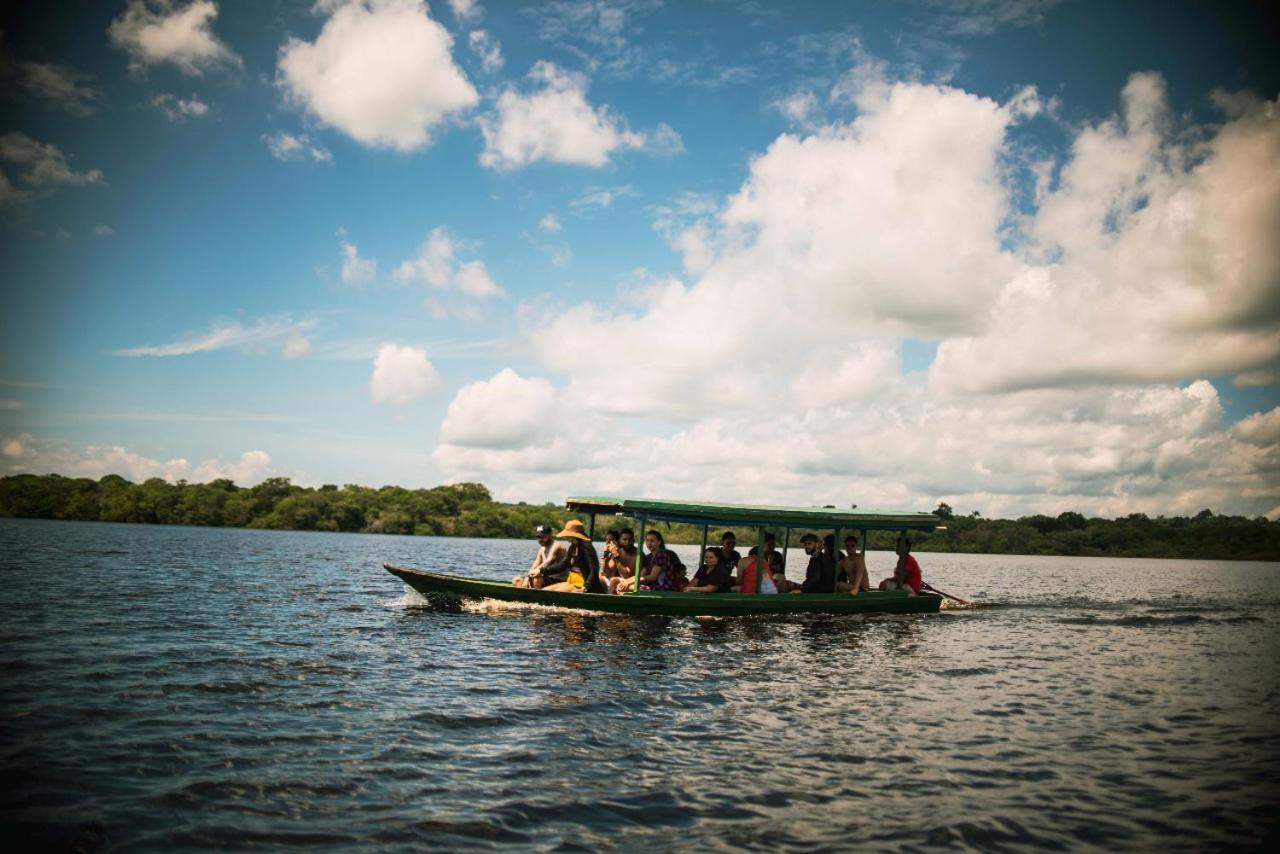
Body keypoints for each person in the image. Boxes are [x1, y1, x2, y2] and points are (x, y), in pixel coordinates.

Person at [541, 519, 604, 593]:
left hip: (583, 584)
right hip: (571, 581)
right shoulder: (573, 546)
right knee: (545, 591)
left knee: (556, 592)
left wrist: (586, 586)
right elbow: (563, 565)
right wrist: (543, 570)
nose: (565, 536)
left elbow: (593, 569)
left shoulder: (586, 547)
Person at [513, 524, 568, 588]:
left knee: (537, 578)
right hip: (546, 577)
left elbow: (549, 560)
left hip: (558, 578)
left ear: (550, 535)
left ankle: (536, 596)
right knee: (516, 580)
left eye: (543, 536)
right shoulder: (541, 549)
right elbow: (535, 565)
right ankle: (522, 596)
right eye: (538, 536)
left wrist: (535, 572)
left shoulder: (557, 545)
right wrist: (527, 577)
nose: (540, 539)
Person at [606, 528, 638, 594]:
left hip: (632, 581)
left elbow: (626, 575)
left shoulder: (636, 553)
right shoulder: (619, 550)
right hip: (621, 580)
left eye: (630, 540)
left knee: (614, 580)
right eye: (624, 539)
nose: (628, 542)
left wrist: (616, 556)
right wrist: (605, 554)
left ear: (634, 540)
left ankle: (608, 601)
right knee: (600, 578)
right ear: (619, 540)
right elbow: (607, 572)